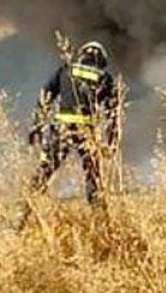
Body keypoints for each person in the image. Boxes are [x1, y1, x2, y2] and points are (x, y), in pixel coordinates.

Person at [26, 40, 118, 208]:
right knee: (93, 176)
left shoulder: (66, 70)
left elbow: (45, 95)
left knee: (44, 171)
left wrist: (37, 124)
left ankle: (22, 214)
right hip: (87, 134)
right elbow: (113, 113)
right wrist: (110, 141)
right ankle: (100, 219)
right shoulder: (104, 78)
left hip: (62, 130)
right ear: (101, 61)